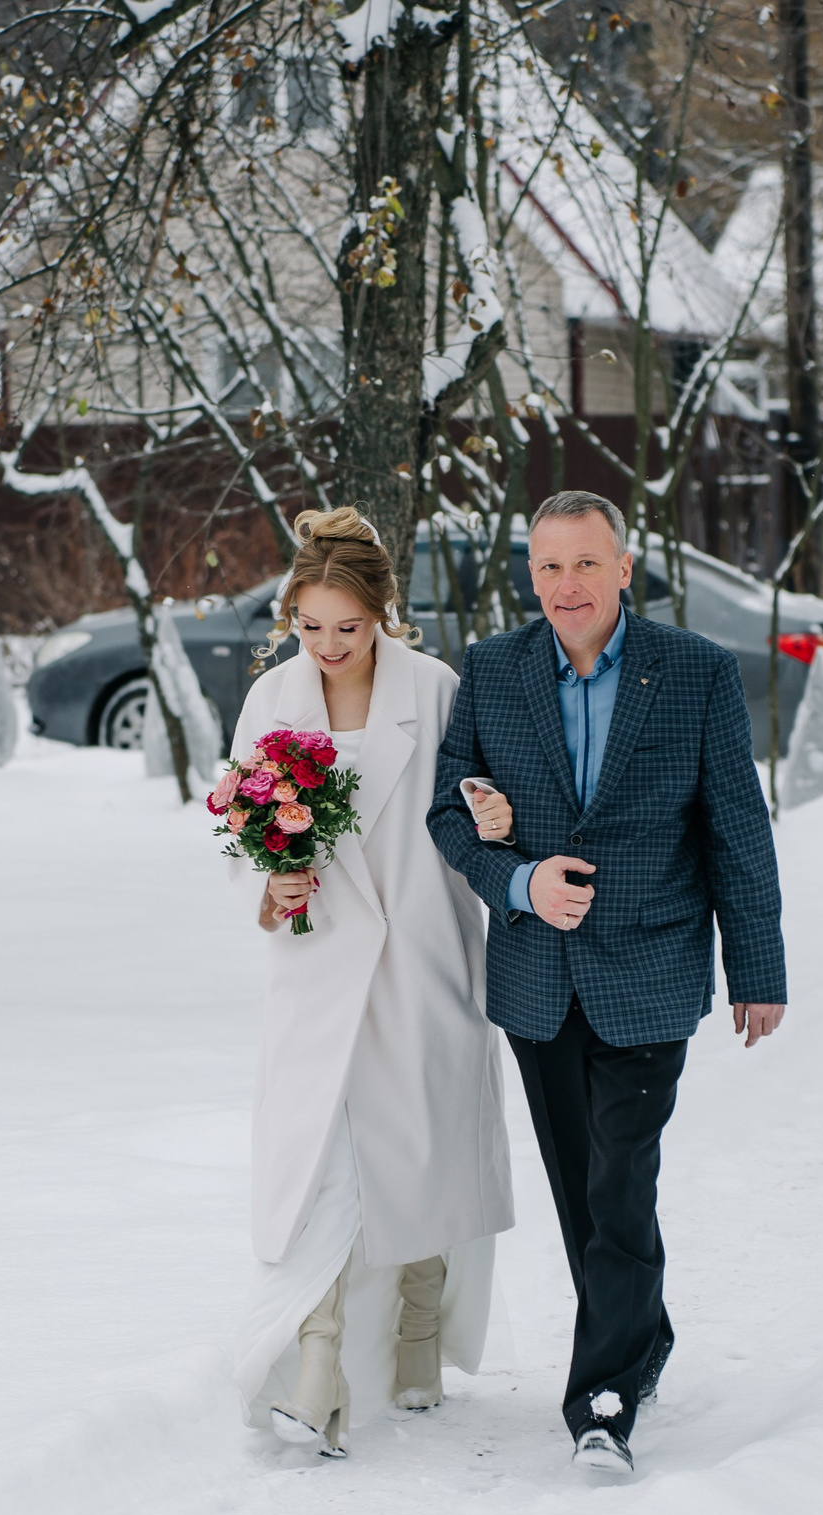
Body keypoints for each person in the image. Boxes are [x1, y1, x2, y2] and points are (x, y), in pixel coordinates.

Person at [427, 490, 786, 1475]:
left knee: (621, 1180)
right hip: (537, 979)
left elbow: (736, 834)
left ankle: (604, 1402)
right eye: (547, 566)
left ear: (625, 568)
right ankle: (645, 1332)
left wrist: (756, 967)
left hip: (651, 971)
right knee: (583, 1194)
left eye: (585, 564)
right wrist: (516, 881)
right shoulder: (494, 670)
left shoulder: (697, 675)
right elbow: (447, 813)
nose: (566, 585)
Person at [229, 506, 516, 1458]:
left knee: (421, 1144)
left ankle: (419, 1333)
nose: (328, 646)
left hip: (422, 949)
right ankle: (318, 1371)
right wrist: (273, 881)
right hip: (317, 964)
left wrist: (496, 812)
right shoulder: (273, 700)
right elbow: (241, 837)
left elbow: (477, 808)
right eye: (309, 628)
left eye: (347, 628)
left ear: (383, 612)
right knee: (321, 1164)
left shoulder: (434, 690)